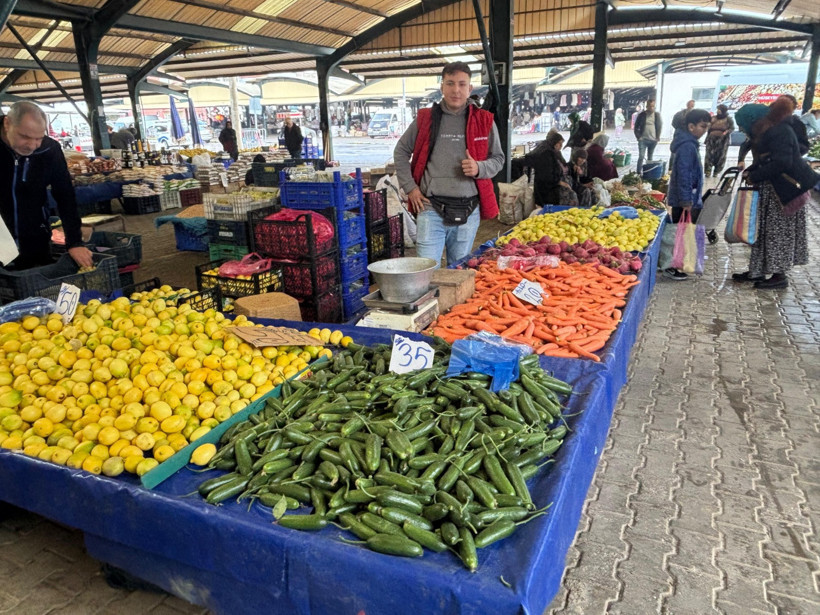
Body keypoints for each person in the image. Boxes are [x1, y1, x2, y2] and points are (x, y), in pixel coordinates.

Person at [394, 61, 504, 267]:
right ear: (442, 87)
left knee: (458, 270)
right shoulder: (425, 119)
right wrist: (410, 188)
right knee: (427, 270)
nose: (456, 90)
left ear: (470, 88)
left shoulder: (484, 121)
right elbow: (401, 151)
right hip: (430, 208)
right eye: (450, 83)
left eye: (462, 84)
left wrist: (479, 168)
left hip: (468, 210)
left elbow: (498, 159)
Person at [732, 99, 818, 290]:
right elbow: (767, 159)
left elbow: (782, 162)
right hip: (774, 191)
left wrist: (755, 175)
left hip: (786, 192)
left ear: (754, 121)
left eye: (744, 125)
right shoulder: (770, 131)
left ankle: (779, 275)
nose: (743, 130)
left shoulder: (780, 131)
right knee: (763, 232)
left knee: (778, 234)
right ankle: (757, 270)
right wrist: (752, 170)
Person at [0, 101, 92, 270]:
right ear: (7, 123)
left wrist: (74, 242)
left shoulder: (49, 150)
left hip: (37, 242)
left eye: (39, 138)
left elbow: (65, 195)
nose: (32, 145)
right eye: (25, 136)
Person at [663, 109, 712, 281]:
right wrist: (686, 200)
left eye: (707, 127)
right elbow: (684, 174)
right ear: (691, 126)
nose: (705, 130)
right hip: (683, 198)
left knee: (682, 231)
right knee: (680, 232)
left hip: (685, 197)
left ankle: (681, 262)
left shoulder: (689, 144)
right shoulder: (687, 146)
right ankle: (673, 266)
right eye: (702, 126)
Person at [511, 131, 577, 208]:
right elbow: (547, 175)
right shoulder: (547, 153)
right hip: (547, 190)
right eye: (560, 143)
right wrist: (559, 182)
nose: (561, 146)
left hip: (542, 187)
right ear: (554, 142)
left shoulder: (545, 147)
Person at [703, 104, 735, 178]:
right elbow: (708, 126)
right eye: (718, 109)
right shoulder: (713, 118)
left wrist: (726, 132)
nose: (718, 111)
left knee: (721, 156)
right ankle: (708, 171)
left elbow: (732, 128)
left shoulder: (728, 119)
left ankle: (716, 171)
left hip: (722, 140)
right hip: (711, 139)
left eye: (719, 109)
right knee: (709, 155)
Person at [634, 100, 662, 175]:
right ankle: (638, 172)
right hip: (643, 139)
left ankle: (648, 173)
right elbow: (636, 126)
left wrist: (658, 137)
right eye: (650, 106)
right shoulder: (642, 115)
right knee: (641, 156)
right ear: (647, 107)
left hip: (653, 140)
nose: (651, 108)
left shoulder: (657, 115)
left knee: (650, 157)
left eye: (653, 106)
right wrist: (638, 137)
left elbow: (659, 126)